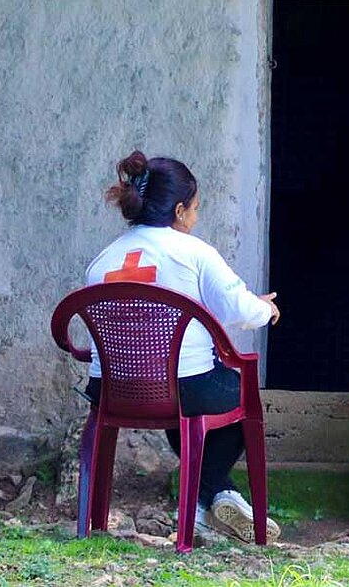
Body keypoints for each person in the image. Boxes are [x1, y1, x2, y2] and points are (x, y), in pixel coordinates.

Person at [82, 150, 281, 543]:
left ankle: (213, 499)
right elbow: (240, 310)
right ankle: (210, 496)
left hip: (111, 391)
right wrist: (265, 308)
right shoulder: (194, 252)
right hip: (182, 388)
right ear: (178, 210)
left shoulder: (102, 260)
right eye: (195, 208)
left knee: (188, 407)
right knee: (236, 398)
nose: (195, 217)